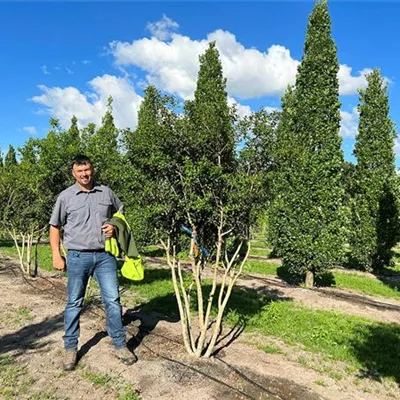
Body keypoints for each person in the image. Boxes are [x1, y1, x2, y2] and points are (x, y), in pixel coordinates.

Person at [49, 154, 137, 371]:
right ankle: (70, 348)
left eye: (87, 170)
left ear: (92, 169)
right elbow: (54, 226)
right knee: (74, 303)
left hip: (105, 256)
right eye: (80, 172)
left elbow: (120, 212)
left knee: (113, 301)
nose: (85, 174)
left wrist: (115, 226)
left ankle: (120, 344)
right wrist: (56, 255)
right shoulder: (66, 197)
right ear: (73, 173)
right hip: (78, 257)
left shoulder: (106, 192)